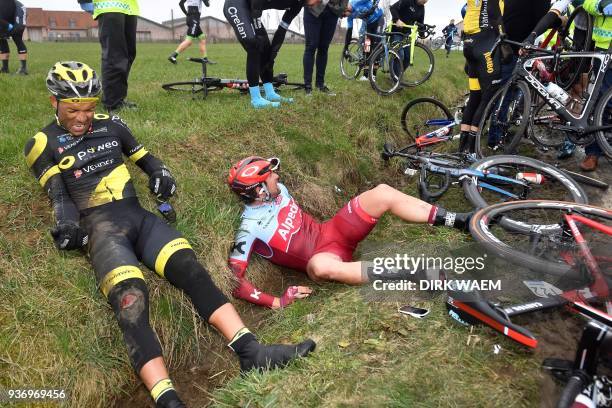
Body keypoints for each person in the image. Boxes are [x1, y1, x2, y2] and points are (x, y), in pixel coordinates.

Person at [24, 62, 316, 408]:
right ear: (53, 102)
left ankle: (252, 352)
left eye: (88, 108)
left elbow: (148, 160)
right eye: (73, 109)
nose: (82, 117)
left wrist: (161, 174)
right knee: (131, 299)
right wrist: (68, 225)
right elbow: (59, 196)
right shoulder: (42, 142)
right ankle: (168, 399)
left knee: (191, 268)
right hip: (102, 231)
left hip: (140, 218)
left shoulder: (112, 124)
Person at [226, 156, 472, 308]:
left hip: (334, 232)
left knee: (383, 192)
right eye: (270, 176)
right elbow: (233, 281)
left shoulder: (279, 189)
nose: (277, 177)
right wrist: (277, 302)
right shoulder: (249, 229)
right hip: (323, 259)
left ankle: (458, 220)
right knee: (320, 266)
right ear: (259, 191)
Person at [224, 0, 319, 108]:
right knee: (254, 44)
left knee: (266, 49)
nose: (318, 3)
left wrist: (274, 51)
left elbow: (282, 30)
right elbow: (256, 3)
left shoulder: (298, 5)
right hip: (236, 5)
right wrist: (258, 32)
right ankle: (256, 100)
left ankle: (270, 93)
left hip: (251, 10)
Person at [458, 0, 505, 153]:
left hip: (470, 45)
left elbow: (464, 10)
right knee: (486, 100)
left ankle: (462, 149)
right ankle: (472, 151)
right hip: (485, 46)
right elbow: (494, 13)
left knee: (474, 98)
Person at [77, 0, 139, 113]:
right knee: (114, 56)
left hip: (130, 7)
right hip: (109, 6)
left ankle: (118, 98)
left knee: (129, 54)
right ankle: (112, 103)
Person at [302, 0, 349, 95]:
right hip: (313, 9)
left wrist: (342, 8)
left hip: (332, 12)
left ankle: (320, 84)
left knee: (324, 48)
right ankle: (307, 86)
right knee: (311, 46)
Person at [343, 0, 385, 81]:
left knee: (377, 46)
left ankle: (373, 75)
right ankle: (366, 75)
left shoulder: (356, 1)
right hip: (369, 24)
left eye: (344, 15)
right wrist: (346, 48)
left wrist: (373, 7)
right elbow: (349, 32)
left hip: (379, 18)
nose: (344, 17)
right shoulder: (350, 17)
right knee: (367, 48)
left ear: (346, 8)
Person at [168, 0, 210, 64]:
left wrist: (187, 14)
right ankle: (173, 56)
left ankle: (205, 59)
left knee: (202, 38)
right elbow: (207, 4)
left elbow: (180, 3)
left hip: (191, 18)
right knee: (189, 41)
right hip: (194, 19)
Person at [0, 0, 27, 74]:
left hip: (16, 19)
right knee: (2, 40)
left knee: (17, 39)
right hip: (5, 20)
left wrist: (10, 28)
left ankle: (23, 69)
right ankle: (5, 68)